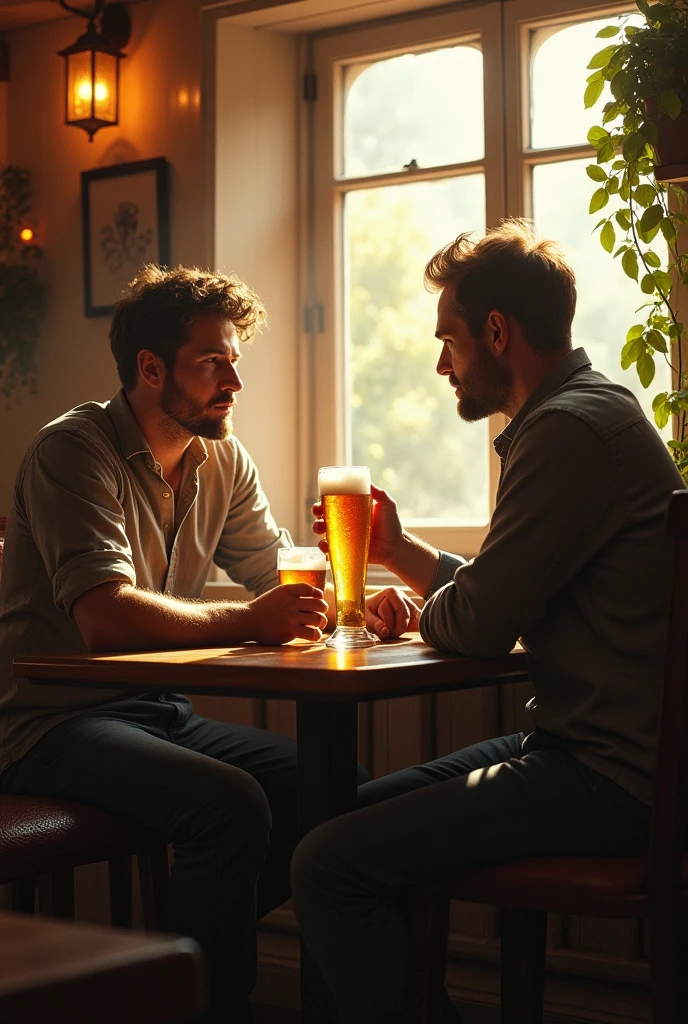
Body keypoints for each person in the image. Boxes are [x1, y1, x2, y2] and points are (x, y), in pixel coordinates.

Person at [291, 219, 685, 1024]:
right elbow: (502, 596)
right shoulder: (589, 411)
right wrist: (399, 551)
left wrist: (434, 609)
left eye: (450, 340)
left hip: (609, 777)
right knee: (347, 819)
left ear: (497, 333)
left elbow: (475, 625)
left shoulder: (567, 432)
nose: (442, 362)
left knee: (329, 864)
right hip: (586, 749)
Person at [0, 264, 417, 1024]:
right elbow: (106, 618)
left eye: (236, 360)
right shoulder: (74, 450)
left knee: (333, 788)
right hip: (48, 723)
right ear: (149, 368)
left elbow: (278, 569)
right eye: (212, 362)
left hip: (154, 710)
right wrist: (249, 619)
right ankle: (208, 1002)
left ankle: (165, 967)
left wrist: (370, 601)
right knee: (230, 806)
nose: (234, 381)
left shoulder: (221, 456)